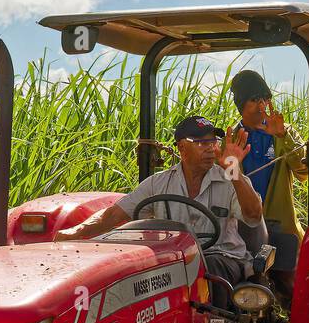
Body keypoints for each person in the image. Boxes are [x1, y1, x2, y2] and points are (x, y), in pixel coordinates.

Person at [56, 115, 264, 306]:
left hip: (220, 256)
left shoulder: (230, 179)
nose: (210, 148)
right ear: (182, 148)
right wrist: (73, 234)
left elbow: (254, 216)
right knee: (141, 268)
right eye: (201, 143)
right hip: (173, 260)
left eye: (213, 142)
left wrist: (234, 169)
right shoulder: (158, 183)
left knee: (207, 265)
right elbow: (113, 215)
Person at [228, 69, 309, 243]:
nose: (261, 106)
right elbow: (225, 182)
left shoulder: (285, 133)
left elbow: (304, 171)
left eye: (265, 99)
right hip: (240, 231)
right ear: (240, 104)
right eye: (254, 100)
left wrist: (283, 136)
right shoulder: (230, 141)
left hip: (282, 231)